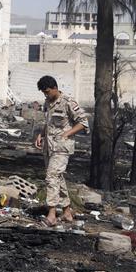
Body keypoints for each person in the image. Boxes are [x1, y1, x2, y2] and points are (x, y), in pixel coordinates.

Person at [33, 75, 89, 226]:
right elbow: (48, 122)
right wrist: (41, 135)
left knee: (51, 176)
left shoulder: (68, 102)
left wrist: (67, 133)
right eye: (44, 93)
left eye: (47, 92)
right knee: (58, 178)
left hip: (62, 147)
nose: (46, 95)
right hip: (49, 147)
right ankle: (67, 212)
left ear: (55, 88)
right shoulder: (47, 103)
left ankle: (51, 214)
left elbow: (83, 123)